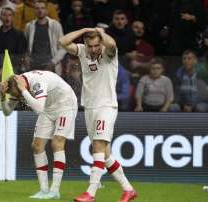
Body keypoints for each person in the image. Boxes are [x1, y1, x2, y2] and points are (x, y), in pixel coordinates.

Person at [59, 28, 137, 202]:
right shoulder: (82, 51)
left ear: (100, 42)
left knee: (98, 147)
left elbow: (112, 44)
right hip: (89, 107)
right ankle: (128, 189)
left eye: (96, 45)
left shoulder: (109, 54)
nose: (94, 49)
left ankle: (91, 193)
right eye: (90, 45)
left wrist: (100, 32)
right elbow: (63, 42)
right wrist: (85, 30)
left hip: (106, 106)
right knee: (106, 155)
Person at [0, 70, 78, 199]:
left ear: (21, 86)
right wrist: (3, 96)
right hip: (48, 107)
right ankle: (44, 190)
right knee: (37, 146)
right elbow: (7, 112)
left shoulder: (37, 83)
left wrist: (23, 91)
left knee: (57, 143)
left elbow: (38, 109)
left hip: (65, 105)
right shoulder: (17, 87)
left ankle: (54, 191)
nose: (19, 98)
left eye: (18, 95)